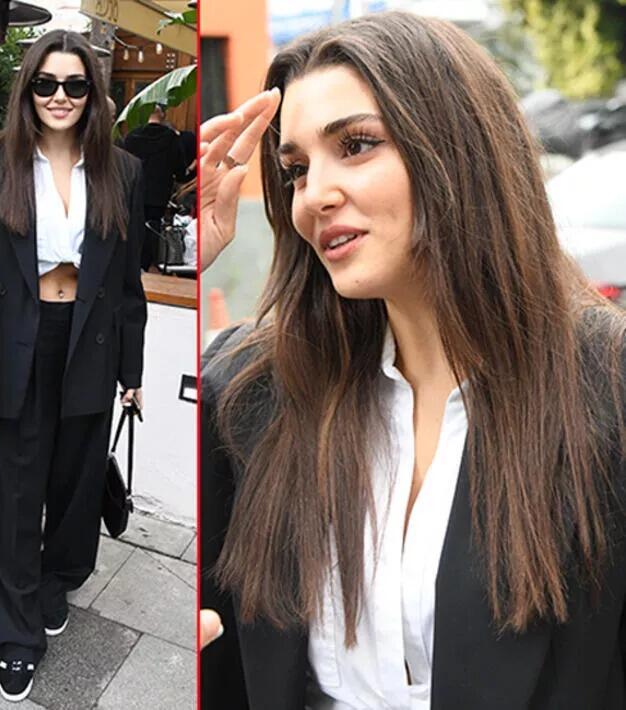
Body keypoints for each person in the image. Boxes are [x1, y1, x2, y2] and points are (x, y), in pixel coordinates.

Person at [200, 12, 626, 710]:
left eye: (357, 145)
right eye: (296, 170)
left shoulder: (606, 389)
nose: (315, 196)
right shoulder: (255, 389)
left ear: (458, 148)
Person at [0, 29, 146, 703]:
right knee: (15, 493)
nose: (59, 96)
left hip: (89, 339)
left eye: (74, 85)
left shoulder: (122, 171)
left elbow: (127, 284)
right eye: (46, 83)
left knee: (75, 485)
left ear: (92, 93)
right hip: (17, 343)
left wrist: (132, 372)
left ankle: (55, 581)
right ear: (28, 88)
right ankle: (14, 635)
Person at [123, 103, 187, 270]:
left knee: (134, 225)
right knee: (154, 227)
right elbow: (180, 167)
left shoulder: (132, 137)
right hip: (159, 192)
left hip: (134, 190)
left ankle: (131, 260)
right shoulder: (171, 138)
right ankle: (147, 262)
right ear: (163, 116)